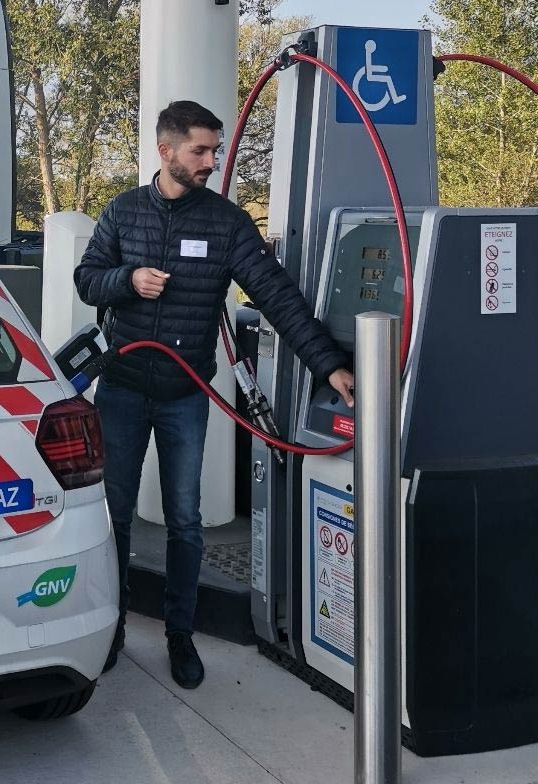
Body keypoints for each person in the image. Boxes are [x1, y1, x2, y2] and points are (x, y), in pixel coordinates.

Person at [74, 100, 355, 689]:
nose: (210, 161)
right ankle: (114, 626)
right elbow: (86, 278)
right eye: (200, 151)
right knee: (114, 515)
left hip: (185, 394)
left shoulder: (226, 223)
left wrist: (329, 364)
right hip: (121, 390)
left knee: (185, 519)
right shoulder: (123, 212)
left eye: (214, 150)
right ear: (166, 150)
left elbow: (277, 297)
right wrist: (127, 281)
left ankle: (180, 633)